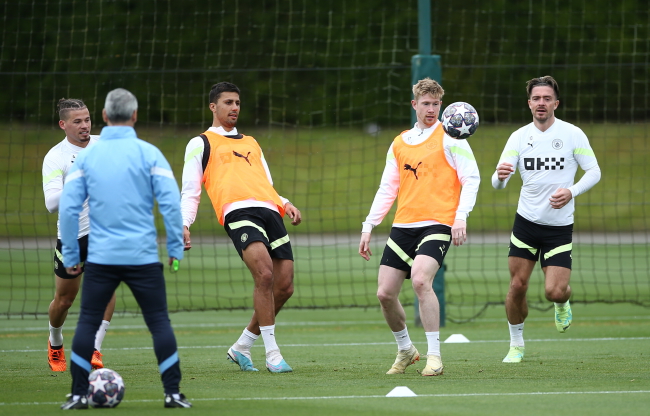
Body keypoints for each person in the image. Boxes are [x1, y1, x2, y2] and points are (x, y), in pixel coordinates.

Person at [58, 88, 191, 409]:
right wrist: (175, 247)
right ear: (134, 116)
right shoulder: (150, 153)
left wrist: (73, 257)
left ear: (104, 117)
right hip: (142, 256)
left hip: (101, 257)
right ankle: (172, 394)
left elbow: (68, 208)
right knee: (159, 322)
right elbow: (171, 206)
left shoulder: (86, 158)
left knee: (87, 321)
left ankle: (78, 394)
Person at [358, 78, 480, 376]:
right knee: (385, 294)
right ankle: (405, 349)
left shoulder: (452, 136)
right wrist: (369, 225)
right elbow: (388, 187)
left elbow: (471, 179)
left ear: (442, 105)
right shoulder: (400, 142)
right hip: (403, 225)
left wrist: (460, 216)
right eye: (425, 103)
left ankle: (434, 357)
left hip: (438, 223)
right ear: (414, 104)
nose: (431, 109)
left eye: (436, 104)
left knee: (421, 281)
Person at [181, 81, 301, 373]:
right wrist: (184, 223)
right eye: (228, 103)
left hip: (270, 210)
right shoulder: (201, 143)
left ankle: (242, 345)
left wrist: (284, 202)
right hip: (238, 211)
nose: (234, 108)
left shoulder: (252, 142)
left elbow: (264, 182)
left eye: (237, 102)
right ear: (213, 106)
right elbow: (190, 190)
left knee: (284, 286)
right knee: (264, 274)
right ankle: (273, 355)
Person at [492, 76, 601, 363]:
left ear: (556, 103)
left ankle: (563, 303)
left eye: (546, 98)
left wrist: (571, 191)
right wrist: (500, 177)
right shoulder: (518, 137)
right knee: (517, 286)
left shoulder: (572, 134)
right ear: (529, 103)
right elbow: (498, 181)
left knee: (554, 291)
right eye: (536, 98)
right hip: (526, 224)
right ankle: (516, 345)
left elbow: (594, 172)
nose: (541, 103)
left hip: (559, 228)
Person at [42, 98, 117, 372]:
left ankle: (93, 349)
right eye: (77, 121)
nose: (85, 125)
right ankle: (55, 340)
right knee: (65, 300)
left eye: (87, 119)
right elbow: (51, 203)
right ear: (63, 124)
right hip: (73, 238)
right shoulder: (56, 157)